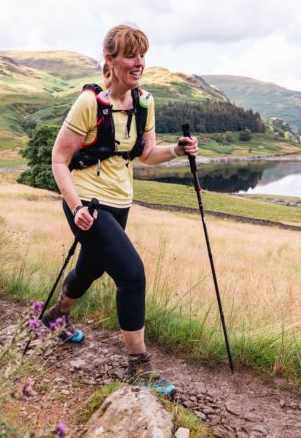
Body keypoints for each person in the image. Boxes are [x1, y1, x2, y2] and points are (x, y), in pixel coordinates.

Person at [48, 24, 198, 394]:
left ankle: (56, 316)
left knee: (90, 269)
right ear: (110, 60)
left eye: (143, 55)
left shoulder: (144, 103)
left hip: (120, 203)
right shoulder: (89, 104)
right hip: (88, 203)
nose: (139, 63)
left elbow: (146, 154)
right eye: (131, 55)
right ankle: (138, 366)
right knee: (132, 275)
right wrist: (76, 206)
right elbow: (58, 160)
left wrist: (178, 150)